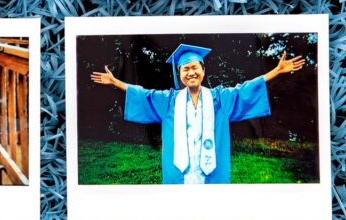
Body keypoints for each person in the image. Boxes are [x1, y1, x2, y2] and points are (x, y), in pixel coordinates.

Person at [91, 44, 306, 184]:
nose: (191, 72)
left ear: (203, 70)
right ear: (179, 74)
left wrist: (276, 71)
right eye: (185, 69)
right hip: (179, 173)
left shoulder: (220, 99)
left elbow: (245, 89)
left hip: (211, 172)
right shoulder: (169, 101)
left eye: (195, 67)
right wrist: (115, 81)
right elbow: (143, 95)